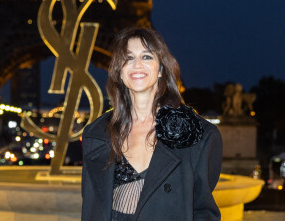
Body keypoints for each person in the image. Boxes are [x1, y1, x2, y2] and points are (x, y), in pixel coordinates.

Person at [82, 27, 223, 221]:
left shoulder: (198, 135)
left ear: (161, 69)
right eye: (128, 58)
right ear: (119, 72)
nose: (137, 64)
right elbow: (90, 209)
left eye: (146, 56)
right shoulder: (96, 135)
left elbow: (203, 211)